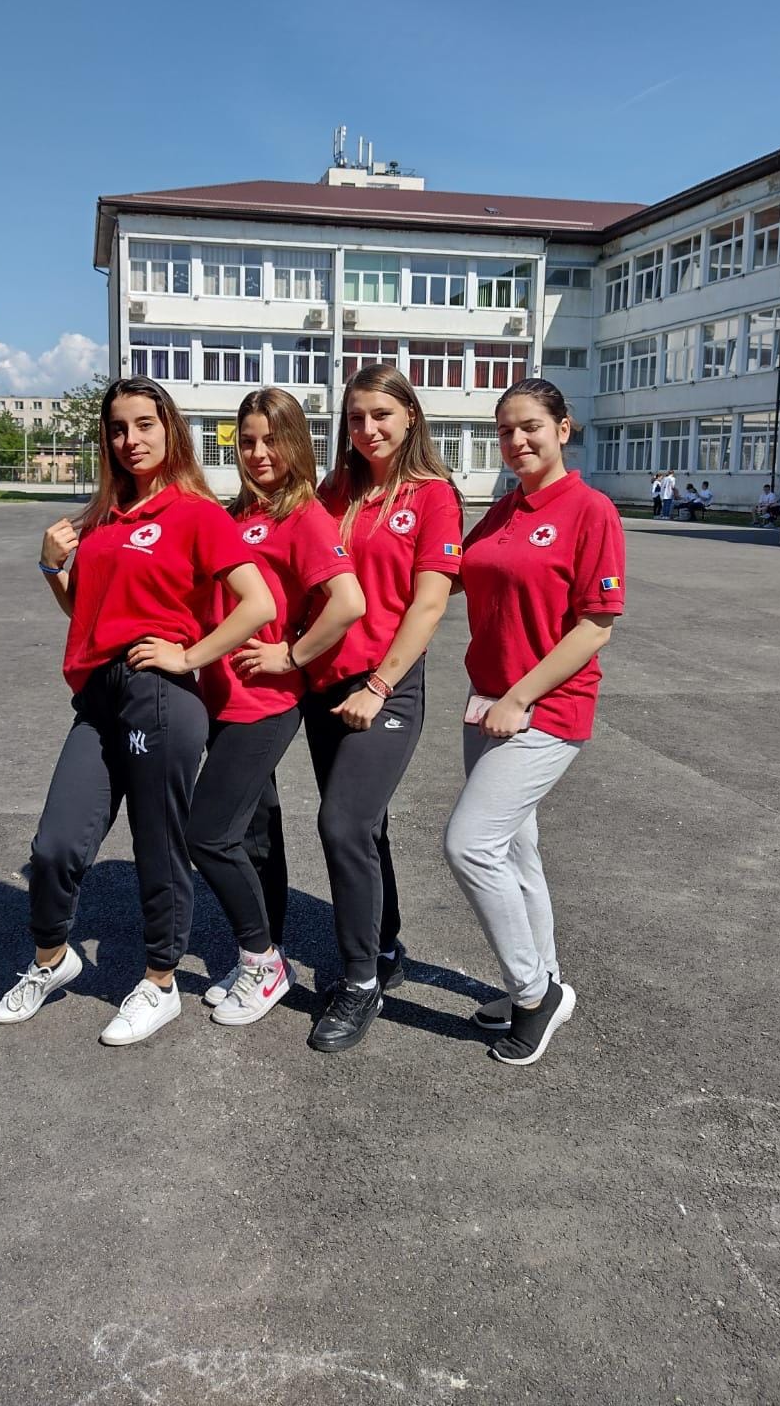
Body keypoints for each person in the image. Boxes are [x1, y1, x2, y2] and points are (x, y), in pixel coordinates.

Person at [0, 378, 275, 1046]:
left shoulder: (196, 512)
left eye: (144, 424)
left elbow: (258, 602)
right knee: (56, 845)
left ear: (169, 428)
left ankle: (160, 981)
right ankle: (52, 960)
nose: (131, 439)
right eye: (118, 428)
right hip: (98, 696)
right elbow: (87, 614)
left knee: (158, 845)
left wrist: (189, 655)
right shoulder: (103, 517)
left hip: (158, 694)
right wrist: (51, 568)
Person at [444, 378, 623, 1067]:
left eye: (530, 427)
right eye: (505, 431)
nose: (517, 440)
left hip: (545, 708)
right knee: (517, 851)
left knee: (470, 844)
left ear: (563, 428)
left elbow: (596, 624)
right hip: (489, 701)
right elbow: (453, 572)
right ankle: (545, 979)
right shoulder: (505, 510)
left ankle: (531, 993)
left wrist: (519, 696)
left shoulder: (590, 510)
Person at [186, 389, 365, 1027]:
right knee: (254, 835)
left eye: (272, 440)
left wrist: (291, 656)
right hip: (220, 696)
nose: (258, 453)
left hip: (263, 701)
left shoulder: (304, 516)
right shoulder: (237, 514)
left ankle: (264, 964)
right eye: (247, 441)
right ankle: (264, 953)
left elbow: (348, 602)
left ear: (297, 444)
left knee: (209, 834)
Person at [302, 363, 463, 1053]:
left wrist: (378, 686)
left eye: (381, 414)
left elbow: (429, 604)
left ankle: (361, 980)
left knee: (341, 824)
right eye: (356, 417)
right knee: (367, 827)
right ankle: (386, 945)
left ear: (410, 417)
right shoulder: (334, 489)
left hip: (385, 685)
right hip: (324, 685)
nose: (367, 428)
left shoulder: (433, 496)